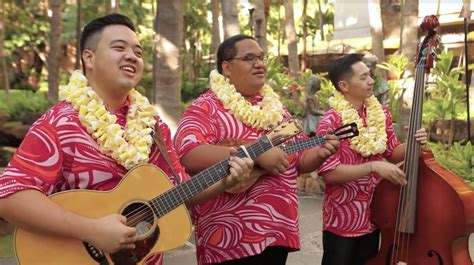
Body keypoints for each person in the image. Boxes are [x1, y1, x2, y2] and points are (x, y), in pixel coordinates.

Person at [0, 13, 253, 265]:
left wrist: (225, 180)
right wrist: (91, 230)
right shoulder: (61, 122)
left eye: (138, 52)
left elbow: (180, 190)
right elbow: (10, 196)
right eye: (119, 48)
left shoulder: (152, 126)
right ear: (89, 57)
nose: (132, 56)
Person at [173, 34, 340, 265]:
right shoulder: (205, 107)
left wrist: (320, 154)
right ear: (227, 67)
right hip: (229, 239)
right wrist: (255, 153)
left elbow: (296, 161)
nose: (260, 64)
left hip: (277, 233)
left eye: (261, 58)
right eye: (249, 58)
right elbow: (189, 155)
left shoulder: (278, 110)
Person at [315, 53, 428, 265]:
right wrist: (373, 167)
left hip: (376, 214)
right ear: (344, 86)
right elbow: (329, 174)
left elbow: (392, 152)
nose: (371, 81)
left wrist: (415, 141)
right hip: (343, 219)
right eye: (363, 77)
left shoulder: (380, 113)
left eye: (370, 75)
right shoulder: (331, 121)